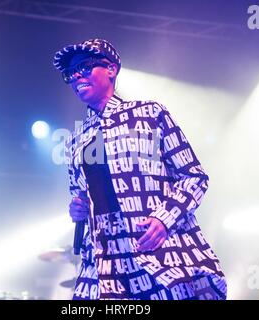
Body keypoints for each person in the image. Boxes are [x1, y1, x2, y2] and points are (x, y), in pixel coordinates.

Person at [53, 39, 227, 300]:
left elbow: (194, 177)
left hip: (154, 247)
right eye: (70, 73)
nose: (76, 74)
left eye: (85, 66)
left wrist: (163, 219)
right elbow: (80, 194)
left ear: (111, 69)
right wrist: (77, 208)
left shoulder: (148, 114)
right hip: (104, 255)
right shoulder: (76, 139)